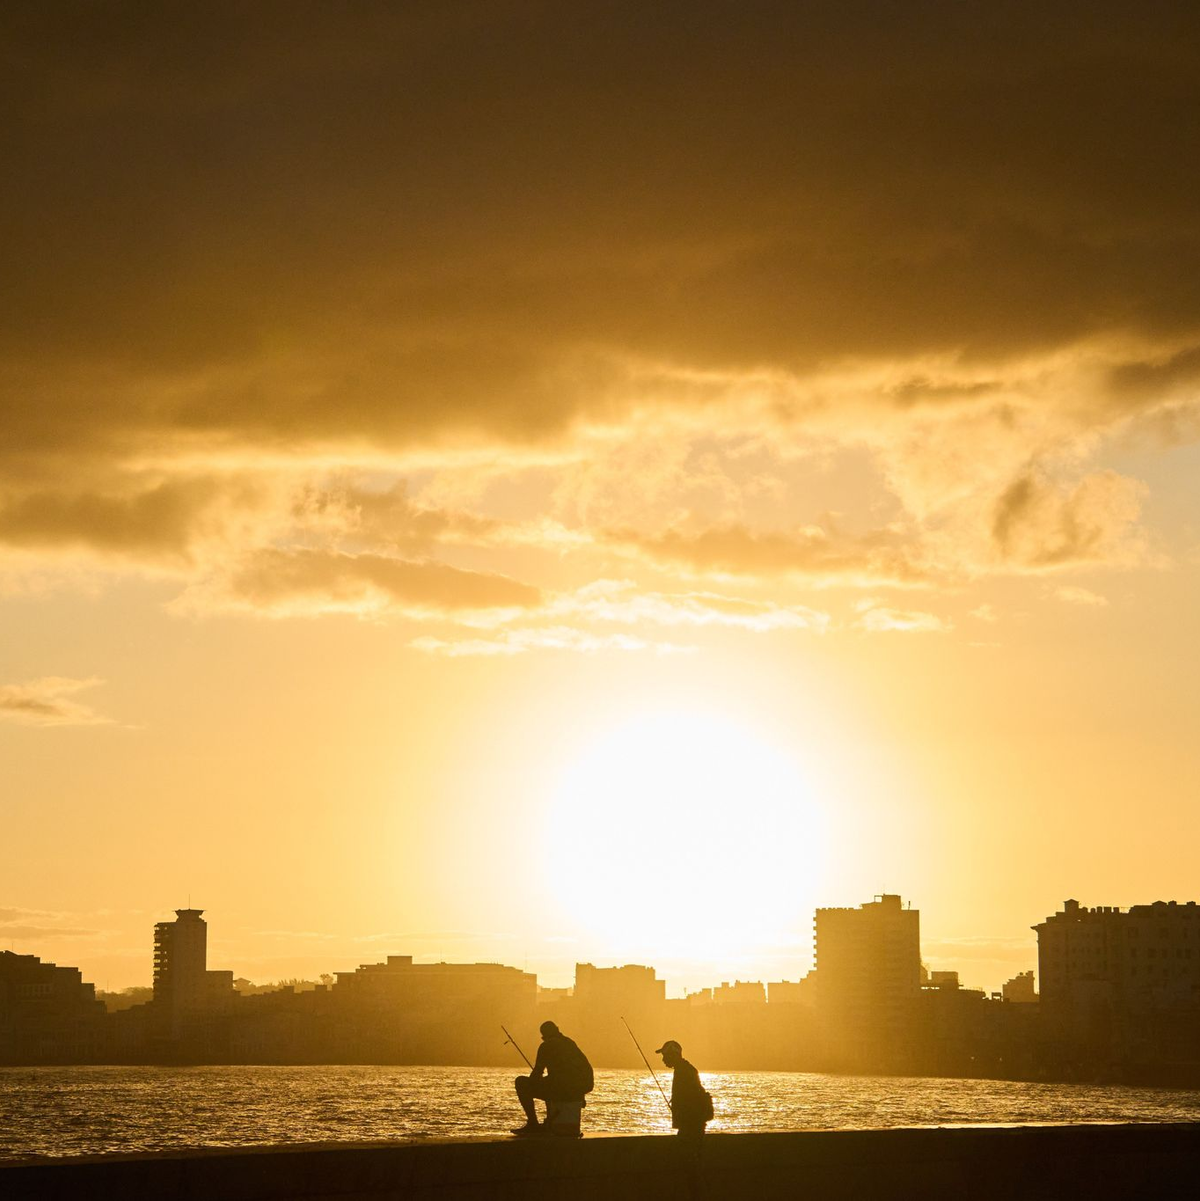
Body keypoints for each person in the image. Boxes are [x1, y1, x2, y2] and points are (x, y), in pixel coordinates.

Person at [512, 1020, 594, 1135]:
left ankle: (533, 1123)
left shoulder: (546, 1046)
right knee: (551, 1082)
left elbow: (537, 1074)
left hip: (563, 1088)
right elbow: (580, 1071)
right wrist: (581, 1095)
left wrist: (533, 1082)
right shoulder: (570, 1043)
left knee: (521, 1082)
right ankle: (550, 1122)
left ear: (544, 1036)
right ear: (557, 1030)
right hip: (581, 1088)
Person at [656, 1039, 711, 1136]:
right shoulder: (683, 1069)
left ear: (673, 1055)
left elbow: (690, 1099)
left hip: (691, 1124)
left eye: (665, 1056)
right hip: (691, 1123)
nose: (663, 1059)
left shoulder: (683, 1071)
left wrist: (680, 1111)